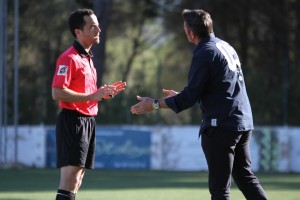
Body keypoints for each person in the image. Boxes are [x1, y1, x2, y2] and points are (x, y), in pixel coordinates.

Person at [130, 9, 268, 200]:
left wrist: (154, 104)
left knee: (220, 189)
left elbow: (189, 97)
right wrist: (181, 96)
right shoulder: (224, 45)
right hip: (242, 122)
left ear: (191, 33)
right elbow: (219, 89)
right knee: (245, 178)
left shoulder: (205, 52)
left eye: (185, 28)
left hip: (221, 126)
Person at [51, 8, 126, 200]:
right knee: (69, 179)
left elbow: (88, 95)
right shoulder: (69, 58)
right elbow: (57, 92)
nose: (98, 30)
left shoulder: (88, 59)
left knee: (77, 179)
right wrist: (93, 95)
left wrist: (102, 95)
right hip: (73, 121)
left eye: (98, 26)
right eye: (92, 27)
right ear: (78, 31)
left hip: (87, 121)